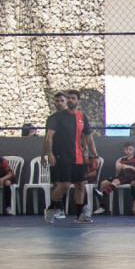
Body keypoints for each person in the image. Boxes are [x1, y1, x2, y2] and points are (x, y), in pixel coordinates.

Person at [42, 90, 97, 224]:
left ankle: (79, 215)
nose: (70, 100)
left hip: (79, 157)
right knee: (65, 185)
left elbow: (89, 138)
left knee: (80, 185)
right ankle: (50, 208)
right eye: (68, 98)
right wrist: (49, 153)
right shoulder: (58, 117)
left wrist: (95, 155)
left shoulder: (82, 117)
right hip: (63, 156)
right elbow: (49, 136)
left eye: (73, 98)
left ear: (78, 101)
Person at [98, 142, 135, 213]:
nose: (128, 151)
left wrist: (129, 167)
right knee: (103, 183)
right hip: (122, 177)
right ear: (124, 150)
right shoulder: (122, 160)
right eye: (126, 149)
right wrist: (118, 168)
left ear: (133, 150)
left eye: (130, 149)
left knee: (116, 181)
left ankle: (104, 192)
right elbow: (117, 175)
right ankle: (102, 206)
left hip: (132, 177)